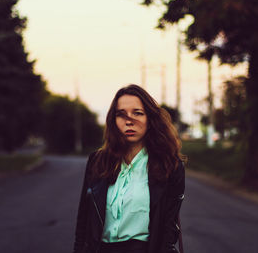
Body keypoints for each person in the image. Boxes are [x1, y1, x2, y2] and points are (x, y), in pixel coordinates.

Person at [73, 84, 185, 253]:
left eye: (137, 113)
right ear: (114, 120)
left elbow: (168, 231)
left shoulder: (169, 165)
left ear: (150, 118)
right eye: (121, 114)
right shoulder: (97, 161)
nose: (129, 121)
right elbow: (84, 222)